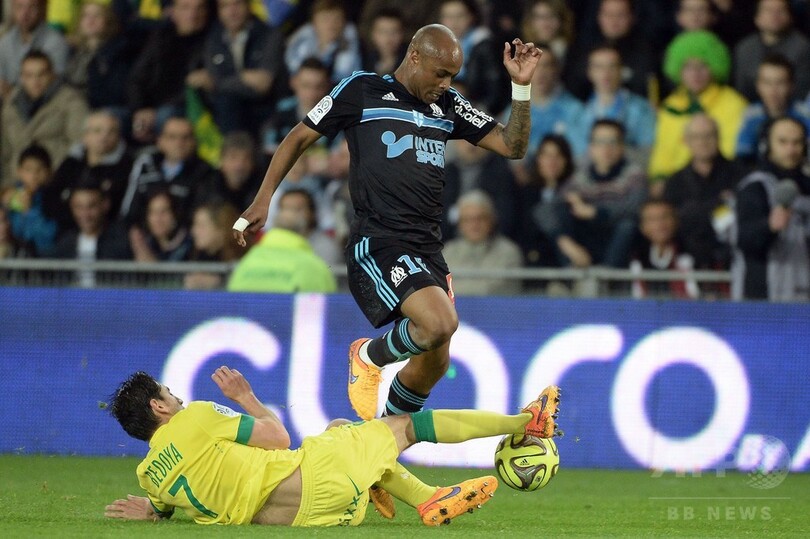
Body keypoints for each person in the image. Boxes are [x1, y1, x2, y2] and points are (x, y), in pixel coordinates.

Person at [233, 24, 540, 421]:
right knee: (439, 323)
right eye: (440, 74)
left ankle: (384, 441)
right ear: (415, 56)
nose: (446, 85)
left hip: (428, 248)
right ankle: (368, 355)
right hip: (380, 241)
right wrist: (263, 199)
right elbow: (298, 138)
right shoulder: (361, 90)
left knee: (434, 363)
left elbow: (512, 145)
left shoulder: (448, 105)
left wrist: (521, 87)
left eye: (452, 77)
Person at [104, 366, 561, 526]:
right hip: (317, 478)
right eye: (169, 395)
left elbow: (161, 507)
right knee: (407, 426)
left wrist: (150, 510)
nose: (178, 399)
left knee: (341, 427)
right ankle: (527, 421)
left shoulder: (150, 478)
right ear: (158, 407)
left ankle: (422, 496)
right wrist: (246, 399)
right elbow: (277, 439)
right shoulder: (196, 417)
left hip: (313, 519)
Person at [536, 119, 647, 269]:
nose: (606, 149)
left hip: (617, 243)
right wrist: (564, 241)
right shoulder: (579, 176)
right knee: (561, 213)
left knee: (628, 225)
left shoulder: (634, 175)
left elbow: (637, 208)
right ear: (591, 147)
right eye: (600, 142)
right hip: (585, 243)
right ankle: (571, 274)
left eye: (612, 142)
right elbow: (544, 210)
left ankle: (606, 277)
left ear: (622, 146)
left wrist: (596, 212)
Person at [649, 30, 748, 182]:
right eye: (688, 67)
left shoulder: (734, 104)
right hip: (674, 183)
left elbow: (729, 152)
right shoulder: (670, 106)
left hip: (717, 180)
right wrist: (658, 178)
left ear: (715, 67)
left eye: (702, 66)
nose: (695, 74)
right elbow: (662, 152)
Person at [732, 116, 810, 301]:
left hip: (803, 292)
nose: (791, 150)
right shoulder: (755, 187)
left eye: (797, 142)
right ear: (767, 146)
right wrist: (769, 227)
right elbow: (743, 240)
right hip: (764, 297)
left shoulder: (807, 187)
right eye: (782, 142)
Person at [187, 0, 285, 135]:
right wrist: (244, 77)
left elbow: (263, 84)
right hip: (225, 109)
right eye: (225, 6)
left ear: (249, 6)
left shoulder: (269, 35)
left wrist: (217, 81)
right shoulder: (213, 38)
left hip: (266, 108)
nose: (232, 12)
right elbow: (209, 81)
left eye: (237, 4)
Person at [663, 114, 746, 270]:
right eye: (696, 137)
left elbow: (739, 216)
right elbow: (675, 221)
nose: (703, 142)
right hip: (687, 257)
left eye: (709, 135)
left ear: (718, 138)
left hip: (731, 256)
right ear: (686, 141)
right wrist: (717, 204)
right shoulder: (675, 182)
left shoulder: (739, 174)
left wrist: (696, 211)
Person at [126, 0, 210, 144]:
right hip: (151, 107)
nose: (192, 14)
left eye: (199, 8)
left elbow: (191, 88)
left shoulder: (211, 41)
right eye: (185, 8)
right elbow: (136, 78)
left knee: (166, 115)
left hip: (186, 107)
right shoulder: (160, 37)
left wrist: (155, 111)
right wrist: (139, 108)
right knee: (112, 118)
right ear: (173, 12)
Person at [0, 50, 88, 186]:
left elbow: (79, 143)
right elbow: (5, 151)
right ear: (21, 77)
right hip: (16, 183)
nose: (35, 81)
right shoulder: (11, 105)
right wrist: (6, 187)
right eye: (29, 75)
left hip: (56, 180)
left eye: (41, 74)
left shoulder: (71, 101)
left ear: (52, 75)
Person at [227, 190, 338, 293]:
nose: (289, 214)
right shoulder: (315, 269)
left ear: (312, 213)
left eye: (296, 209)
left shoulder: (247, 263)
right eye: (284, 208)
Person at [43, 110, 133, 232]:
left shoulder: (127, 167)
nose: (104, 137)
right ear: (85, 136)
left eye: (111, 131)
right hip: (65, 231)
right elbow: (51, 197)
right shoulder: (70, 162)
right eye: (97, 131)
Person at [120, 117, 217, 229]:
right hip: (143, 233)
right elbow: (128, 210)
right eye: (172, 137)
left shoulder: (205, 172)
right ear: (160, 140)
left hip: (185, 235)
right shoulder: (145, 164)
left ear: (194, 142)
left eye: (185, 138)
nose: (179, 143)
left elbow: (200, 215)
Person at [568, 44, 655, 160]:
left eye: (612, 67)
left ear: (621, 70)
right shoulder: (578, 113)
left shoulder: (641, 109)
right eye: (599, 67)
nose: (606, 73)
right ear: (590, 72)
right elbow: (576, 155)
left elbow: (648, 152)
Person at [47, 180, 132, 287]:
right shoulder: (64, 243)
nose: (85, 214)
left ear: (105, 205)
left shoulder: (121, 242)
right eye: (78, 207)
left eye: (91, 206)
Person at [442, 190, 523, 296]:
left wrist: (454, 289)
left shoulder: (509, 252)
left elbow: (494, 291)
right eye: (468, 219)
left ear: (491, 220)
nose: (474, 225)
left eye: (480, 218)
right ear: (459, 224)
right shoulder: (448, 252)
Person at [437, 0, 509, 114]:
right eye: (448, 17)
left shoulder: (484, 44)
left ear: (471, 17)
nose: (454, 22)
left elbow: (496, 89)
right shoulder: (437, 46)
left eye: (459, 16)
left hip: (479, 111)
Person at [735, 54, 810, 163]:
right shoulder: (751, 115)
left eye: (780, 83)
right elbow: (742, 157)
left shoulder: (805, 114)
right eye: (767, 82)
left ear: (791, 86)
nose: (773, 91)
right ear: (758, 85)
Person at [733, 0, 810, 102]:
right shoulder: (744, 48)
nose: (774, 16)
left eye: (780, 10)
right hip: (751, 106)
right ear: (757, 18)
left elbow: (802, 91)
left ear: (790, 17)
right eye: (768, 10)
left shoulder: (803, 47)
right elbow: (741, 90)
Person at [630, 198, 699, 300]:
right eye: (652, 219)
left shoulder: (693, 255)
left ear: (676, 221)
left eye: (665, 217)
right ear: (642, 227)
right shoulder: (635, 258)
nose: (660, 224)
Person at [0, 0, 69, 99]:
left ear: (41, 9)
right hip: (8, 103)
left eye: (31, 7)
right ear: (12, 9)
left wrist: (12, 92)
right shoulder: (6, 41)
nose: (25, 13)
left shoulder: (56, 42)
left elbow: (54, 86)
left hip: (46, 103)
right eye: (19, 7)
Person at [284, 0, 362, 84]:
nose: (331, 25)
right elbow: (292, 69)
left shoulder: (350, 41)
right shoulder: (303, 38)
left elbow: (346, 76)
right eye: (325, 19)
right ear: (314, 21)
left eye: (337, 19)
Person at [1, 144, 57, 256]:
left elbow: (47, 240)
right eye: (28, 169)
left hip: (40, 259)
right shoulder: (10, 196)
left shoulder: (54, 201)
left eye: (39, 169)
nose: (34, 175)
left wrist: (30, 211)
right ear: (19, 172)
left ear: (49, 172)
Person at [184, 201, 242, 290]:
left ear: (220, 229)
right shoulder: (193, 257)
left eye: (201, 225)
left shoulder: (241, 262)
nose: (194, 231)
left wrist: (219, 283)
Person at [129, 188, 193, 262]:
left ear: (174, 214)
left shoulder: (190, 245)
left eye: (163, 211)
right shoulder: (147, 242)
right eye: (153, 212)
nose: (158, 219)